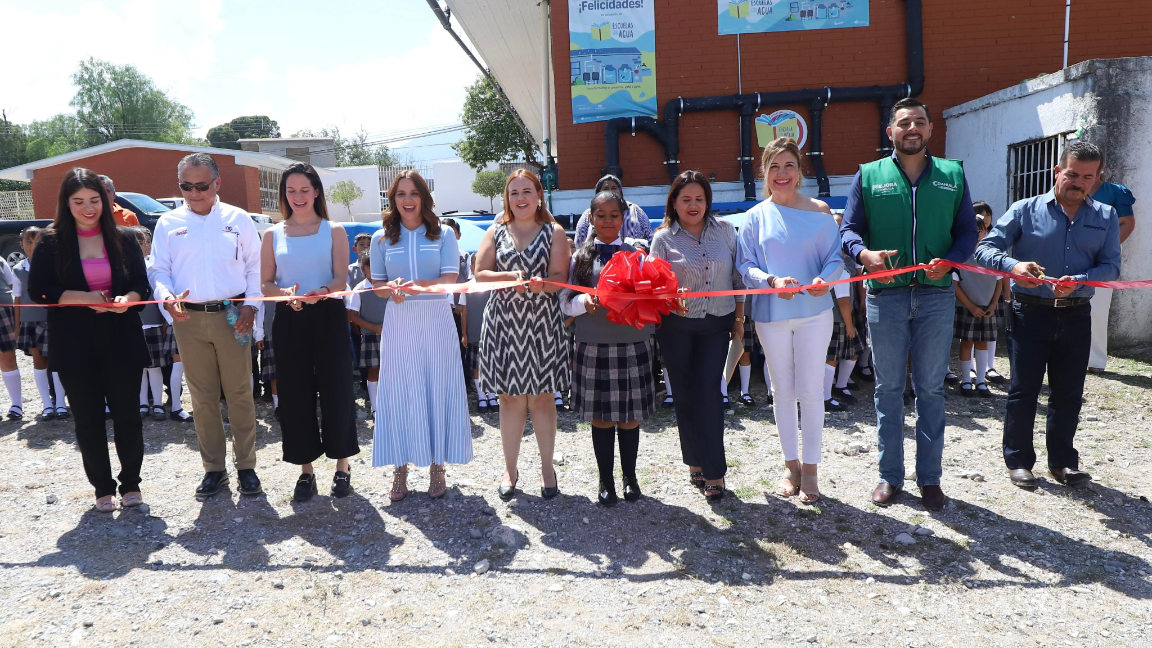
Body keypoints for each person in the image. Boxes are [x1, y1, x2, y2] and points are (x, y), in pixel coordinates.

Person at [839, 97, 978, 511]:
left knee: (932, 388)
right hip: (887, 297)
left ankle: (930, 478)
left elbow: (968, 232)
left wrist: (952, 261)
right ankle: (890, 475)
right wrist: (864, 256)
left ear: (931, 129)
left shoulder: (953, 174)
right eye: (903, 123)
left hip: (936, 296)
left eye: (919, 121)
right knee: (888, 389)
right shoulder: (868, 175)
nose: (912, 129)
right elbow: (848, 230)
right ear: (891, 133)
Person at [974, 141, 1120, 489]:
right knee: (1024, 391)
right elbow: (985, 248)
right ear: (1057, 172)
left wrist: (1081, 281)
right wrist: (1015, 265)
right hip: (1030, 313)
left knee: (1069, 391)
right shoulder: (1025, 210)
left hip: (1076, 314)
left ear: (1097, 177)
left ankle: (1063, 463)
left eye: (1088, 176)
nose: (1078, 182)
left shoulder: (1105, 216)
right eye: (1072, 174)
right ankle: (1020, 461)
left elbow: (1111, 266)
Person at [29, 167, 151, 512]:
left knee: (128, 415)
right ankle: (102, 488)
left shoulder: (126, 238)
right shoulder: (50, 242)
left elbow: (142, 287)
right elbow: (38, 291)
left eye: (94, 200)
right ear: (66, 203)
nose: (88, 208)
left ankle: (131, 485)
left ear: (106, 200)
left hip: (120, 339)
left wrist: (127, 299)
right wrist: (77, 296)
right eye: (78, 201)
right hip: (74, 343)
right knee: (87, 419)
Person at [149, 152, 263, 499]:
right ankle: (214, 469)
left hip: (233, 318)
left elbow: (256, 267)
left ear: (217, 183)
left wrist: (250, 306)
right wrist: (167, 298)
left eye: (201, 186)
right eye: (186, 186)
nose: (194, 193)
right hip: (189, 320)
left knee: (241, 395)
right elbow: (158, 270)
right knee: (202, 398)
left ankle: (247, 467)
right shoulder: (168, 223)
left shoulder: (238, 219)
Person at [737, 138, 842, 504]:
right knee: (782, 391)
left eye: (789, 165)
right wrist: (770, 281)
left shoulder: (820, 211)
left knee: (812, 390)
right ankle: (790, 464)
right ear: (764, 172)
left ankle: (811, 469)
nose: (782, 173)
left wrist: (822, 279)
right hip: (772, 314)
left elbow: (835, 258)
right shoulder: (754, 217)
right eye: (774, 166)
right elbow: (745, 265)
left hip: (815, 314)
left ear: (800, 171)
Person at [371, 170, 471, 501]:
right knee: (399, 390)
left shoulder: (443, 235)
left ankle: (437, 466)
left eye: (414, 193)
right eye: (401, 194)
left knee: (436, 386)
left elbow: (449, 278)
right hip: (399, 322)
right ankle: (399, 468)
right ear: (392, 198)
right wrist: (392, 291)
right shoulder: (381, 238)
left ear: (424, 197)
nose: (408, 200)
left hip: (436, 320)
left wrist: (413, 288)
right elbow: (378, 286)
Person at [261, 162, 358, 501]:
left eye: (304, 189)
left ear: (316, 191)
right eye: (291, 190)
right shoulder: (272, 233)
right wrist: (286, 295)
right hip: (289, 318)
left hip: (328, 313)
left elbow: (340, 278)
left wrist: (322, 291)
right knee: (294, 395)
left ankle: (342, 466)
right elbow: (266, 283)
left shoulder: (334, 230)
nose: (298, 196)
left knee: (336, 390)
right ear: (283, 194)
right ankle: (306, 470)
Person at [476, 169, 570, 501]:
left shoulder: (554, 231)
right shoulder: (495, 230)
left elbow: (561, 276)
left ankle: (547, 468)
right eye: (514, 192)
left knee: (543, 399)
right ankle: (510, 469)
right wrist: (505, 277)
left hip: (542, 324)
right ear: (507, 198)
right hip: (503, 324)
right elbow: (479, 274)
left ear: (539, 195)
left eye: (527, 191)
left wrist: (543, 283)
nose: (520, 198)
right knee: (510, 400)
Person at [651, 170, 745, 501]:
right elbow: (653, 284)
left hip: (716, 325)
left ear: (708, 201)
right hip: (675, 327)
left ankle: (715, 472)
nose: (693, 205)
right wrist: (667, 298)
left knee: (709, 393)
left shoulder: (726, 232)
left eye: (699, 199)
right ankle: (694, 462)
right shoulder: (662, 238)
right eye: (686, 199)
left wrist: (739, 317)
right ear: (673, 203)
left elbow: (737, 275)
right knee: (685, 396)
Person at [561, 191, 656, 506]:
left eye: (614, 215)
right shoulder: (579, 258)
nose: (607, 221)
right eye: (600, 215)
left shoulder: (637, 255)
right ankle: (605, 480)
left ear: (623, 218)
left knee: (630, 417)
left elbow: (649, 298)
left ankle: (630, 476)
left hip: (632, 343)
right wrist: (582, 302)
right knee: (601, 417)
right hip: (594, 344)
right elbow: (565, 303)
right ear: (590, 219)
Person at [1087, 164, 1136, 371]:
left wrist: (1108, 250)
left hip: (1102, 259)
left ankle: (1095, 361)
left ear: (1101, 168)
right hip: (1070, 253)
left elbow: (1127, 222)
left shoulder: (1115, 192)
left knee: (1097, 308)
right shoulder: (1068, 190)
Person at [15, 227, 68, 420]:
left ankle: (61, 403)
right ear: (22, 245)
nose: (33, 246)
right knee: (39, 363)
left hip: (51, 320)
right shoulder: (18, 269)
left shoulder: (53, 266)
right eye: (29, 242)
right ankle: (47, 404)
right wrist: (17, 325)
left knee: (56, 361)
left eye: (37, 241)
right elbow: (17, 299)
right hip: (30, 322)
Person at [949, 213, 1002, 397]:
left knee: (982, 343)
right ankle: (965, 380)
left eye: (981, 230)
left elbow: (999, 281)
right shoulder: (959, 254)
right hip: (966, 306)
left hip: (987, 305)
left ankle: (981, 381)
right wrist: (970, 306)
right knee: (966, 343)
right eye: (974, 231)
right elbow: (954, 283)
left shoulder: (991, 254)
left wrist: (994, 304)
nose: (978, 234)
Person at [132, 227, 169, 421]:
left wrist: (164, 321)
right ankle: (142, 403)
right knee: (138, 367)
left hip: (153, 324)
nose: (144, 246)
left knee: (154, 367)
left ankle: (158, 404)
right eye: (139, 242)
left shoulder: (154, 267)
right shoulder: (126, 267)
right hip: (133, 324)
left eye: (146, 242)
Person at [345, 252, 385, 416]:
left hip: (391, 335)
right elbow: (352, 316)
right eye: (370, 266)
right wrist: (373, 327)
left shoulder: (387, 287)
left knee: (390, 370)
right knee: (373, 370)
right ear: (363, 268)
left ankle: (390, 403)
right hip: (370, 335)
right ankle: (375, 407)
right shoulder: (359, 289)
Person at [573, 175, 652, 249]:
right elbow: (579, 244)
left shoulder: (636, 211)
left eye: (614, 188)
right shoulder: (588, 215)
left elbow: (650, 239)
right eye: (605, 189)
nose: (610, 192)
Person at [459, 253, 496, 414]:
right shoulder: (467, 287)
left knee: (493, 364)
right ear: (471, 267)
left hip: (493, 332)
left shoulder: (493, 286)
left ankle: (493, 396)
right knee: (476, 366)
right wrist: (464, 333)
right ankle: (482, 397)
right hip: (474, 331)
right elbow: (464, 311)